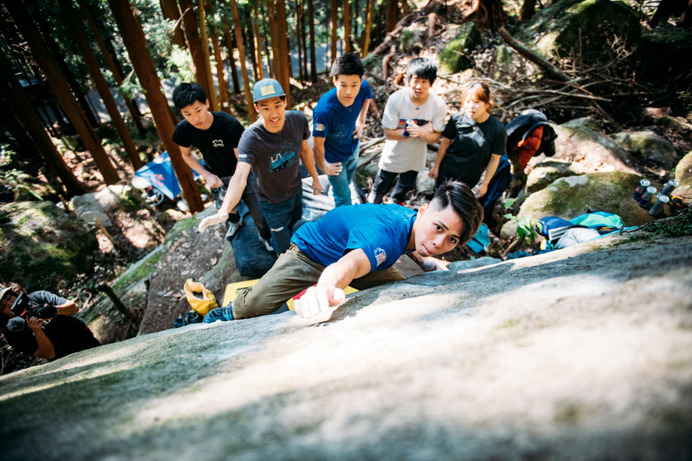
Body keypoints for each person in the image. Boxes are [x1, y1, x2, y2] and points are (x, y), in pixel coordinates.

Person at [203, 180, 484, 323]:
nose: (439, 242)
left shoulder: (413, 221)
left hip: (360, 254)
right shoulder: (383, 238)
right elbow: (347, 266)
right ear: (423, 211)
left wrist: (424, 259)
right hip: (310, 253)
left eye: (452, 240)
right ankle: (230, 310)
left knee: (403, 293)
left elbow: (412, 238)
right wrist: (324, 289)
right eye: (438, 228)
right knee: (255, 307)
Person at [197, 78, 322, 254]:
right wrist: (225, 210)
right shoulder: (251, 139)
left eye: (277, 105)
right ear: (257, 108)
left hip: (296, 191)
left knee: (297, 227)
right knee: (282, 246)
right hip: (272, 201)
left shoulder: (298, 120)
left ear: (285, 101)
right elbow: (240, 176)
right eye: (265, 108)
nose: (274, 114)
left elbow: (305, 151)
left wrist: (315, 177)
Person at [172, 82, 271, 247]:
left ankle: (266, 237)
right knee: (226, 210)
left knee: (258, 212)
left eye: (198, 110)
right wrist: (207, 175)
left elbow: (242, 161)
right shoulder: (183, 130)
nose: (195, 118)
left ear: (207, 103)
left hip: (243, 171)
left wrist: (237, 183)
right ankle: (235, 222)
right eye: (187, 114)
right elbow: (186, 155)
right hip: (216, 175)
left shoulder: (228, 125)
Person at [369, 58, 447, 205]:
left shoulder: (438, 105)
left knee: (400, 194)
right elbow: (389, 133)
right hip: (393, 155)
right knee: (378, 191)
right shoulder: (396, 99)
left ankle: (394, 219)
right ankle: (367, 214)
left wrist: (421, 133)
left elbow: (436, 137)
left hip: (415, 158)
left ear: (431, 82)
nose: (419, 86)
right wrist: (417, 130)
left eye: (424, 81)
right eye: (416, 80)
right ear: (408, 80)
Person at [312, 53, 372, 207]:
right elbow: (317, 145)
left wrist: (361, 121)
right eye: (343, 85)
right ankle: (342, 225)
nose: (349, 92)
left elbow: (367, 96)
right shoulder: (324, 110)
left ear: (360, 81)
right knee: (344, 199)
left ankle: (335, 191)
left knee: (349, 178)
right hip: (334, 158)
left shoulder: (363, 87)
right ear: (334, 81)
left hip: (352, 144)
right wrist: (324, 167)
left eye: (354, 85)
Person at [429, 82, 507, 200]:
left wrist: (485, 183)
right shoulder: (457, 118)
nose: (471, 106)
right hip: (448, 169)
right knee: (439, 200)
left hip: (470, 176)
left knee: (456, 204)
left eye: (476, 102)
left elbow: (495, 159)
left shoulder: (497, 129)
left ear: (486, 104)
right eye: (468, 101)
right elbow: (445, 142)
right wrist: (436, 167)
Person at [0, 283, 100, 361]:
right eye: (3, 307)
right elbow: (48, 354)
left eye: (9, 298)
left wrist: (53, 311)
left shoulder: (36, 297)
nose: (10, 304)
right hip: (63, 358)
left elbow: (74, 307)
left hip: (82, 336)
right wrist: (37, 331)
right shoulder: (12, 333)